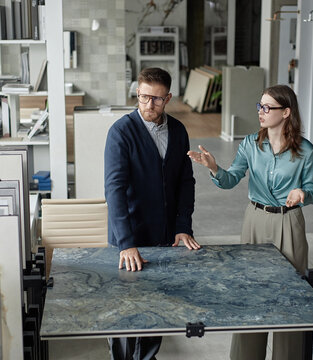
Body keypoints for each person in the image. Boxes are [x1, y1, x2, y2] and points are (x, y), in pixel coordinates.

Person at [187, 84, 313, 360]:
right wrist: (214, 168)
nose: (261, 112)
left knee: (288, 296)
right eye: (259, 106)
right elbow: (231, 179)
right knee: (250, 294)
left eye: (267, 107)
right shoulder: (250, 144)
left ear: (286, 112)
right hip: (255, 220)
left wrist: (302, 194)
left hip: (289, 223)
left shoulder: (306, 150)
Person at [104, 67, 201, 360]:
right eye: (144, 97)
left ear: (168, 98)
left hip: (164, 238)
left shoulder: (179, 131)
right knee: (126, 314)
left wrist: (183, 226)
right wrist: (126, 242)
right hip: (129, 238)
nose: (149, 105)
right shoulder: (121, 132)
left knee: (155, 308)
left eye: (157, 100)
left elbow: (186, 183)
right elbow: (114, 190)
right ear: (137, 94)